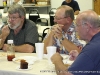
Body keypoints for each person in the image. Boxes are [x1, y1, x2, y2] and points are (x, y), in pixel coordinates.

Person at [51, 10, 100, 75]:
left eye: (77, 25)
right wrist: (81, 58)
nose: (76, 29)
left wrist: (57, 61)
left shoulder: (92, 49)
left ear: (87, 26)